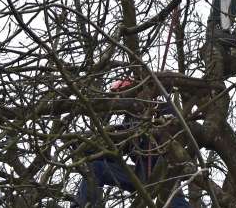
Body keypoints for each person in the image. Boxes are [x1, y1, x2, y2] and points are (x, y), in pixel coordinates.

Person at [71, 79, 189, 208]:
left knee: (174, 200)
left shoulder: (160, 106)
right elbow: (114, 148)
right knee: (97, 167)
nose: (118, 99)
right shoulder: (129, 121)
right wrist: (88, 147)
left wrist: (157, 125)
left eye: (120, 94)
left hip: (163, 169)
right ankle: (84, 205)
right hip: (140, 173)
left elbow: (177, 129)